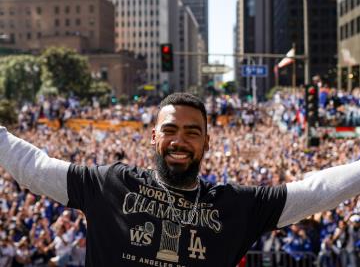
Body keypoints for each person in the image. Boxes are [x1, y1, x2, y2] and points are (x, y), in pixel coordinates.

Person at [1, 92, 360, 267]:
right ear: (153, 137)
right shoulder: (108, 184)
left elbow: (314, 192)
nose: (179, 141)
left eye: (192, 132)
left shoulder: (235, 205)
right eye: (170, 130)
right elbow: (32, 166)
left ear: (207, 141)